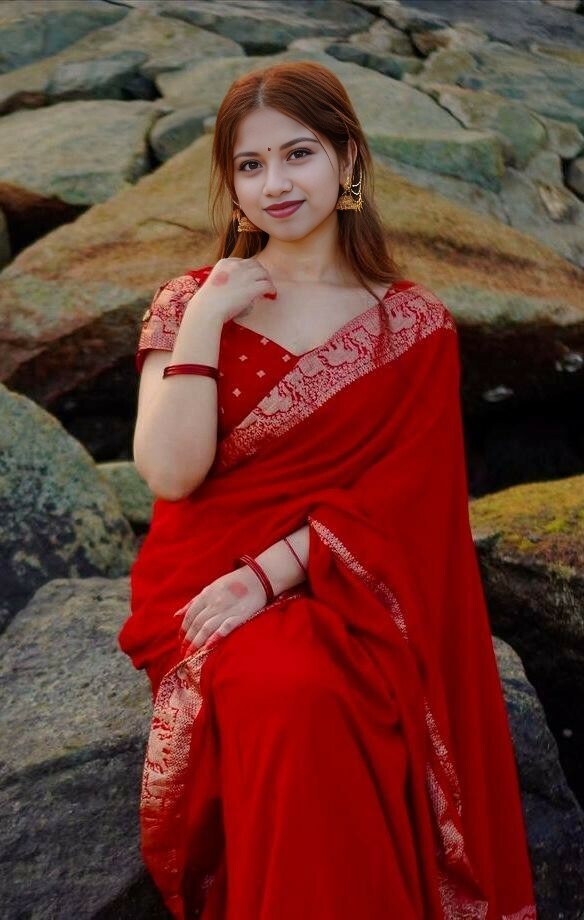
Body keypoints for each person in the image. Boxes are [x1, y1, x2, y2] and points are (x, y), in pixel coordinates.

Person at [117, 61, 537, 920]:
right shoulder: (190, 300)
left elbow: (408, 502)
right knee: (290, 690)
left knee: (321, 692)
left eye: (298, 154)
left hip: (346, 583)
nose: (275, 183)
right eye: (250, 165)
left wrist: (268, 575)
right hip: (199, 579)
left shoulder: (412, 325)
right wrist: (209, 319)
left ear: (347, 158)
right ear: (232, 185)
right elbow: (169, 473)